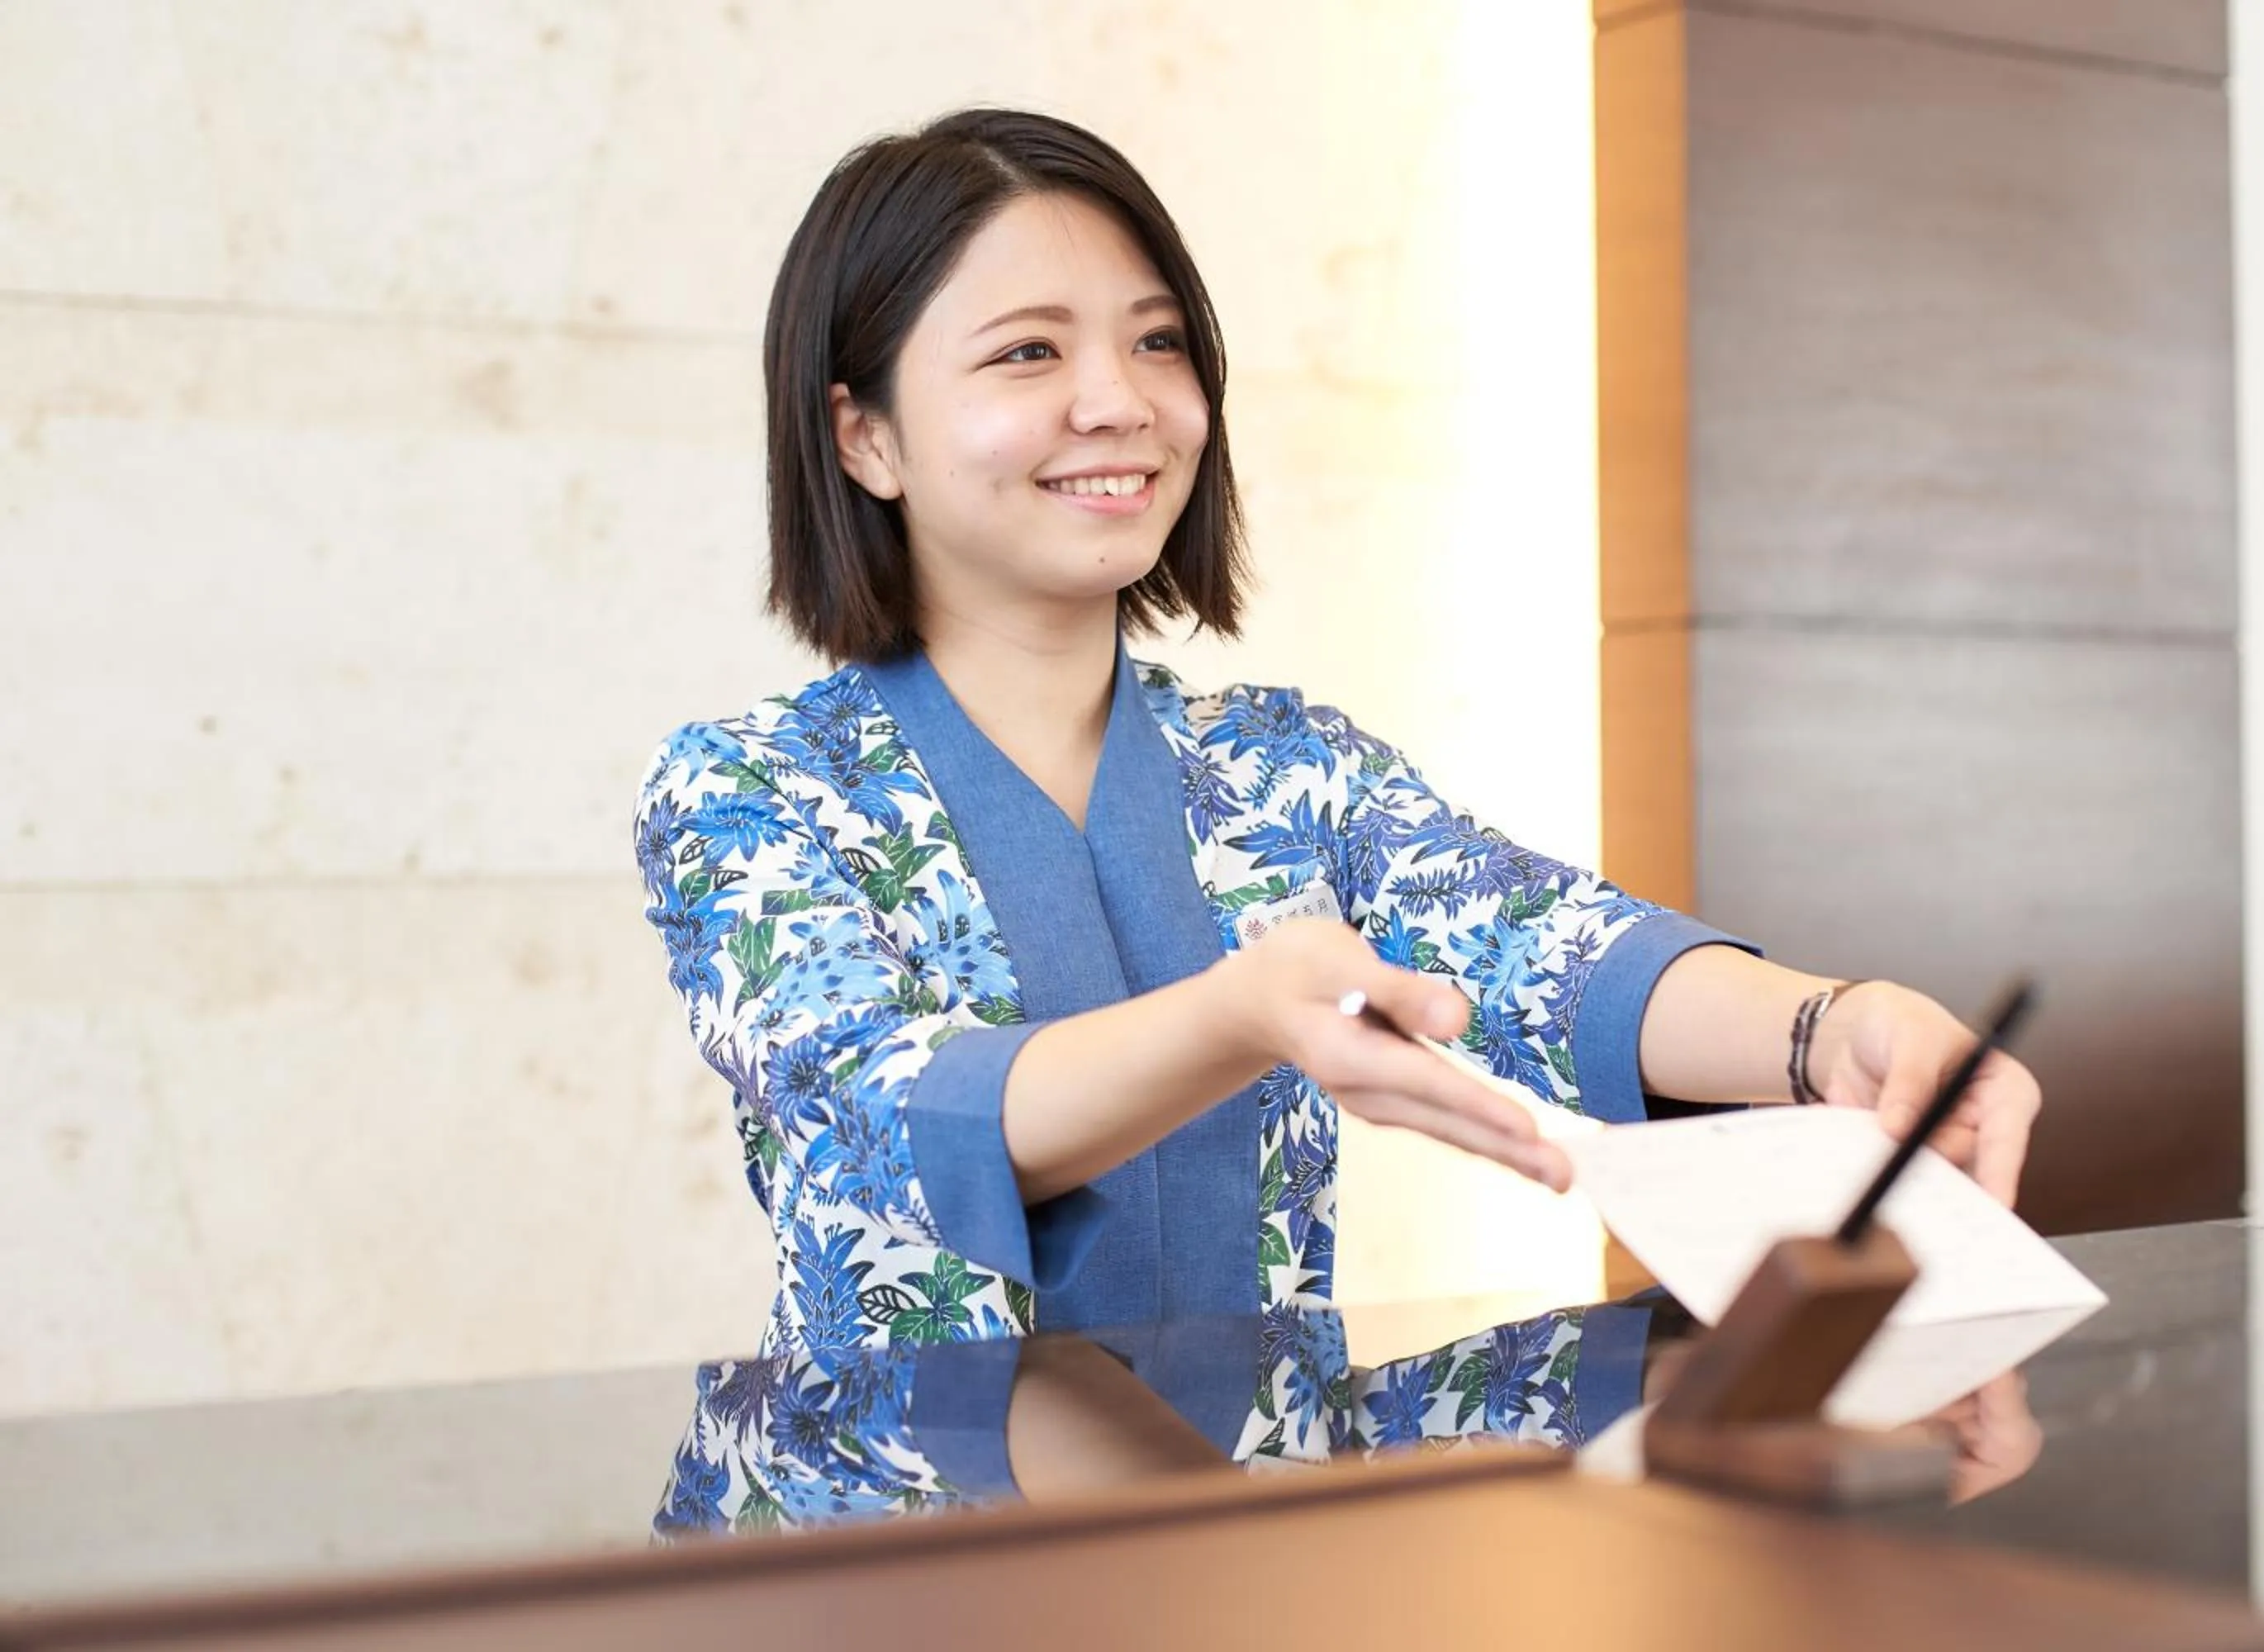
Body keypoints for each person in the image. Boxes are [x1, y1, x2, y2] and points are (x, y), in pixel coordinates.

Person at [633, 107, 2041, 1360]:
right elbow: (887, 1113)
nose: (1120, 401)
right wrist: (1237, 1014)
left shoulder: (1286, 765)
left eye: (1157, 342)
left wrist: (1828, 1029)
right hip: (895, 1528)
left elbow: (1542, 947)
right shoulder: (746, 792)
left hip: (1267, 1513)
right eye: (1028, 353)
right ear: (864, 437)